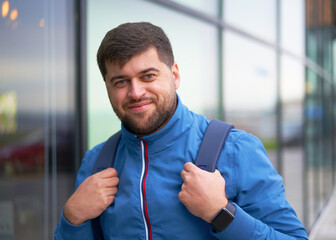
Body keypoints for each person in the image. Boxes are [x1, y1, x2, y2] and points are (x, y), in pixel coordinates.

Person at [55, 22, 308, 240]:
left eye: (148, 76)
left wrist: (221, 213)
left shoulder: (235, 150)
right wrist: (72, 217)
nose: (135, 92)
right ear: (108, 87)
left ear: (174, 75)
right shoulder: (96, 163)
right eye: (121, 82)